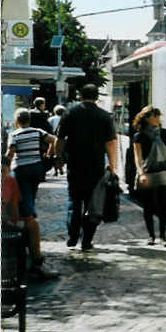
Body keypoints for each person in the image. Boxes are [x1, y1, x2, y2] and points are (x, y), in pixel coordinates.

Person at [55, 84, 119, 251]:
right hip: (96, 168)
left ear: (81, 96)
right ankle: (87, 240)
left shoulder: (70, 113)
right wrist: (113, 166)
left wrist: (58, 157)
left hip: (75, 166)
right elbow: (111, 143)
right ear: (96, 97)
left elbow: (60, 138)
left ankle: (73, 236)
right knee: (93, 204)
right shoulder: (105, 116)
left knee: (74, 202)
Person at [132, 106, 166, 246]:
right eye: (155, 116)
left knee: (163, 205)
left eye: (158, 116)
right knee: (148, 205)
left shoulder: (165, 133)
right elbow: (137, 157)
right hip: (147, 172)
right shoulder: (139, 136)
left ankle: (163, 236)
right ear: (147, 118)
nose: (158, 119)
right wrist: (141, 173)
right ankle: (151, 236)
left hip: (162, 172)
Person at [1, 157, 56, 279]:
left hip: (6, 220)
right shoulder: (8, 181)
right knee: (29, 225)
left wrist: (14, 222)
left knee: (32, 224)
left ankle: (36, 263)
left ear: (9, 170)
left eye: (3, 171)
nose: (0, 175)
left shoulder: (10, 182)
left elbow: (13, 207)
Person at [5, 108, 57, 220]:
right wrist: (49, 154)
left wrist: (5, 167)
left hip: (21, 168)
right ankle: (29, 214)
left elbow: (10, 152)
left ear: (17, 121)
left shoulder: (14, 135)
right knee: (32, 192)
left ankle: (30, 214)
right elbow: (54, 140)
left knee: (24, 193)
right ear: (29, 120)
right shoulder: (37, 131)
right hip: (36, 167)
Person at [48, 105, 67, 175]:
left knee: (54, 154)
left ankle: (56, 170)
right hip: (64, 139)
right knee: (61, 154)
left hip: (53, 139)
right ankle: (61, 168)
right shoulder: (65, 118)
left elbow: (48, 128)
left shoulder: (51, 119)